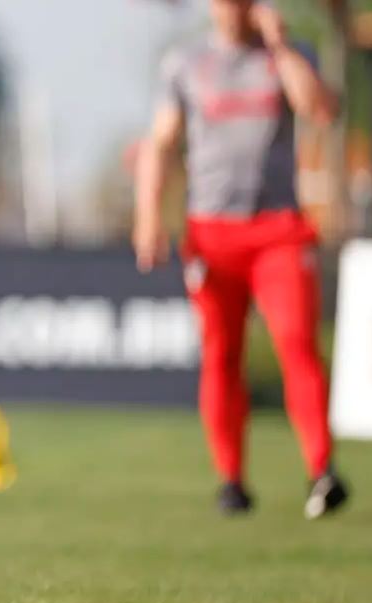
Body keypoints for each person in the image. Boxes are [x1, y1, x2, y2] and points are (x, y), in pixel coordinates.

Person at [133, 0, 348, 518]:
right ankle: (231, 478)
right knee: (221, 354)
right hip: (212, 231)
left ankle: (321, 469)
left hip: (278, 228)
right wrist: (149, 215)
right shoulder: (186, 62)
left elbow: (319, 110)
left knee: (297, 342)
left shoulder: (289, 53)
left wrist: (279, 44)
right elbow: (161, 143)